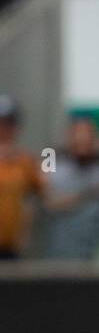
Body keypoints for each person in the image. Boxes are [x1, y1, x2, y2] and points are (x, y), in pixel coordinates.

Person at [39, 114, 99, 259]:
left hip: (96, 257)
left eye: (87, 134)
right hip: (60, 256)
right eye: (77, 134)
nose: (82, 139)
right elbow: (47, 202)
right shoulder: (54, 167)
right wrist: (85, 195)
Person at [0, 95, 43, 258]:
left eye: (8, 125)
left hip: (12, 248)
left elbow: (44, 193)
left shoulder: (24, 161)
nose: (3, 130)